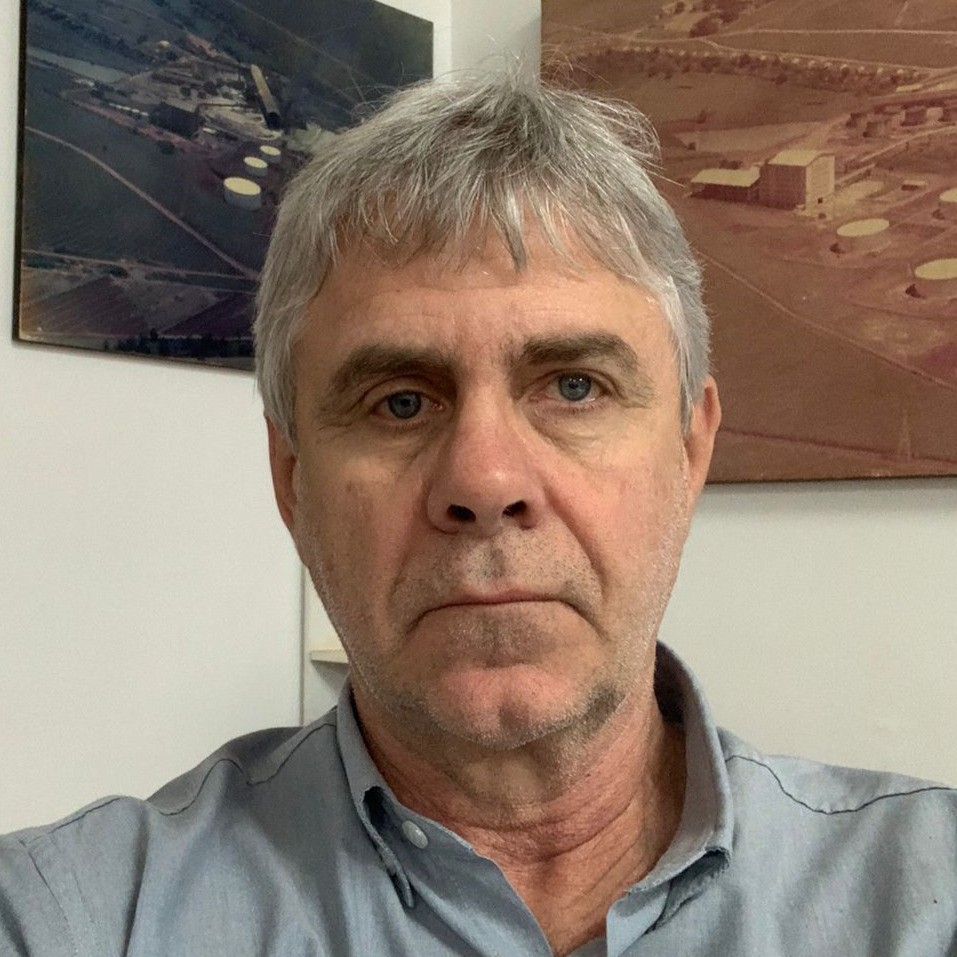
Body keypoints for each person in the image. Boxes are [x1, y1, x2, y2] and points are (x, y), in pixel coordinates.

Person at [1, 71, 955, 957]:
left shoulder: (927, 893)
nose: (486, 479)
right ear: (291, 479)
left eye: (573, 386)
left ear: (689, 448)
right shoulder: (77, 917)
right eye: (399, 402)